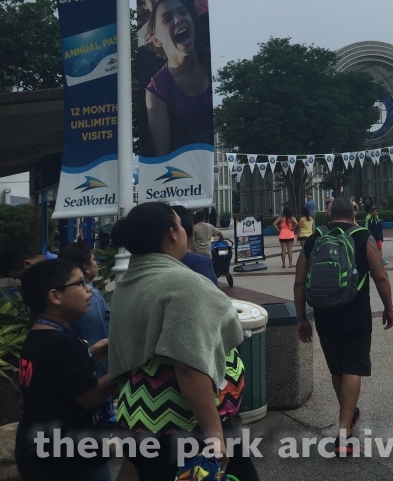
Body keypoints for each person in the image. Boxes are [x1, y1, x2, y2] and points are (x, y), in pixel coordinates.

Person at [109, 202, 257, 481]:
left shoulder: (130, 281)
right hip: (184, 426)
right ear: (172, 234)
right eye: (179, 224)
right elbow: (189, 365)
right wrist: (214, 434)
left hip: (140, 422)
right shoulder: (182, 284)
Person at [295, 197, 393, 456]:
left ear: (328, 216)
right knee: (353, 368)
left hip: (324, 314)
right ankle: (343, 434)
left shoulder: (314, 238)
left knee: (338, 369)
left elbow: (298, 282)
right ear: (353, 216)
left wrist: (301, 319)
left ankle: (348, 416)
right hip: (355, 313)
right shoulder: (363, 237)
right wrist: (388, 307)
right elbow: (380, 275)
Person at [15, 259, 114, 481]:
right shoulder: (61, 343)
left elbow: (55, 377)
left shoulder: (39, 335)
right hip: (69, 458)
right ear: (55, 296)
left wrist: (90, 354)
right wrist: (128, 366)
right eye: (80, 283)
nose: (89, 288)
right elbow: (89, 397)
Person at [143, 0, 212, 157]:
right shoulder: (156, 92)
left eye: (183, 13)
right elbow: (163, 155)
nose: (178, 19)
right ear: (157, 40)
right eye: (167, 18)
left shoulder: (215, 58)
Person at [58, 243, 111, 379]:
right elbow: (97, 340)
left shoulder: (66, 293)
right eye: (93, 259)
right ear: (86, 267)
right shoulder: (89, 297)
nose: (96, 263)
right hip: (94, 376)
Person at [172, 205, 219, 285]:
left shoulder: (195, 228)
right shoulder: (210, 226)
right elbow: (220, 234)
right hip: (207, 252)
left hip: (197, 251)